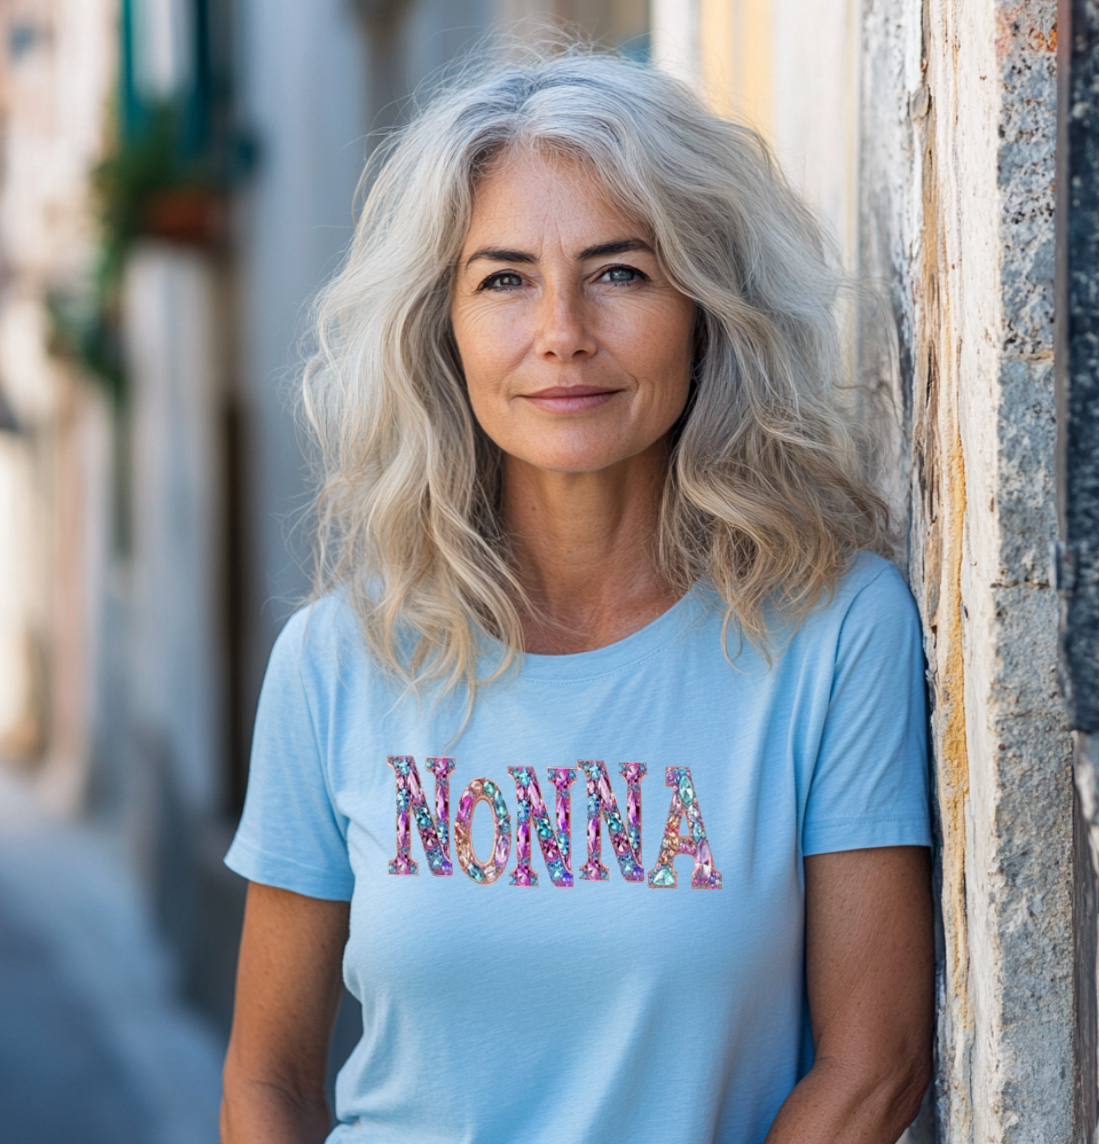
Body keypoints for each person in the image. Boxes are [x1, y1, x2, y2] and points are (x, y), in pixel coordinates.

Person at [219, 45, 934, 1144]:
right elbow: (267, 1080)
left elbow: (870, 1066)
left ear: (702, 303)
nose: (561, 330)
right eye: (502, 278)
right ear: (440, 328)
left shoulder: (832, 631)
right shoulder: (337, 659)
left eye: (619, 271)